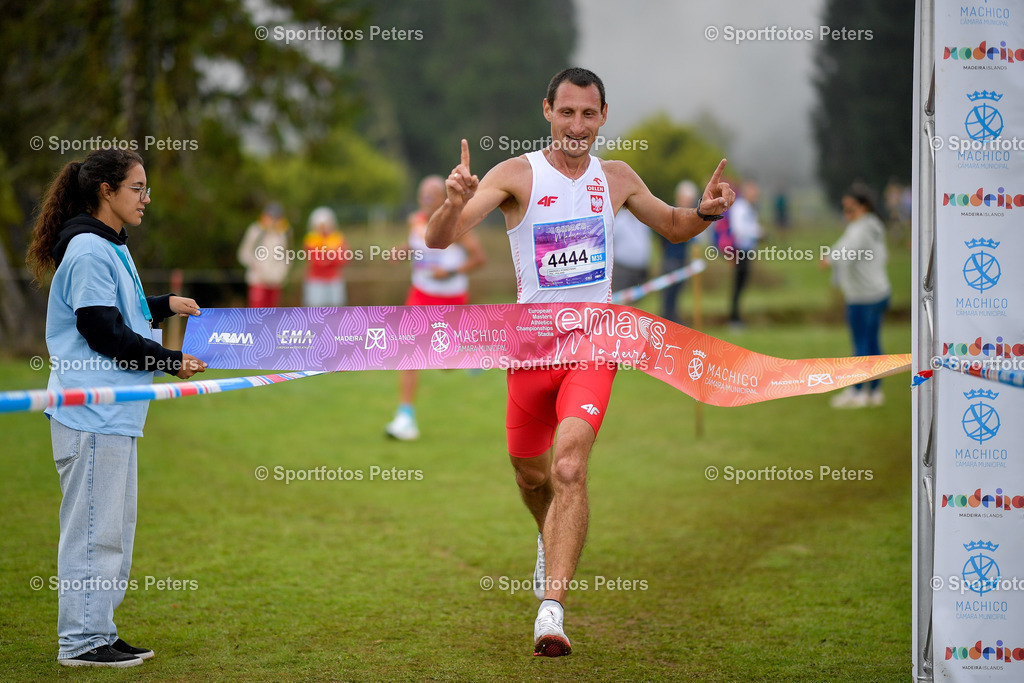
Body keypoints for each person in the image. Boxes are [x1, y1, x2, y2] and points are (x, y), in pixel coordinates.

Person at [426, 67, 734, 657]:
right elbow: (443, 239)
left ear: (603, 116)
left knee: (569, 468)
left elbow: (673, 226)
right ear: (547, 110)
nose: (576, 124)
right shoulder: (516, 173)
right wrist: (451, 203)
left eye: (587, 114)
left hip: (594, 343)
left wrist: (707, 214)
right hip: (530, 350)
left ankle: (552, 611)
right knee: (530, 472)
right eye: (566, 112)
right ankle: (548, 535)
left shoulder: (615, 177)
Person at [25, 148, 207, 668]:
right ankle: (81, 642)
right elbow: (101, 330)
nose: (146, 198)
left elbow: (119, 313)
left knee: (112, 532)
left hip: (116, 413)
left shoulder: (108, 245)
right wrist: (170, 360)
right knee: (92, 531)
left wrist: (163, 306)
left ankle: (98, 629)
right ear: (107, 191)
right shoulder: (86, 248)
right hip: (91, 413)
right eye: (138, 188)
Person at [385, 175, 486, 441]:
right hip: (419, 295)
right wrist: (402, 251)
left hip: (451, 300)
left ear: (442, 196)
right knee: (409, 350)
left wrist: (450, 271)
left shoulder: (458, 223)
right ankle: (405, 416)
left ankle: (473, 350)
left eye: (432, 193)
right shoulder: (415, 220)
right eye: (422, 193)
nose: (426, 198)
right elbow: (417, 245)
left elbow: (479, 258)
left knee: (445, 364)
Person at [822, 183, 891, 408]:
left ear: (864, 206)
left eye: (850, 209)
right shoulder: (874, 225)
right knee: (872, 344)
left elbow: (845, 252)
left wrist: (828, 259)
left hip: (863, 297)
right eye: (844, 209)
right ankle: (875, 392)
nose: (846, 214)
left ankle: (859, 391)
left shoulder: (861, 229)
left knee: (860, 345)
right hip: (879, 291)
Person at [237, 202, 291, 307]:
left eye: (276, 217)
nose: (272, 220)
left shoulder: (284, 233)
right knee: (256, 314)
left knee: (273, 315)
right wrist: (255, 265)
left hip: (276, 281)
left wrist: (281, 272)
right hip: (258, 281)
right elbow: (243, 254)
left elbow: (288, 255)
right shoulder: (255, 230)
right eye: (270, 216)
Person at [659, 180, 697, 323]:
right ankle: (666, 320)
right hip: (670, 259)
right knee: (668, 294)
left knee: (677, 293)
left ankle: (673, 319)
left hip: (682, 259)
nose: (688, 202)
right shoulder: (670, 212)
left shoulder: (691, 215)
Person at [727, 180, 762, 327]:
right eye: (753, 191)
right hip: (739, 251)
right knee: (737, 286)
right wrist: (758, 234)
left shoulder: (749, 207)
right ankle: (734, 319)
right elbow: (739, 230)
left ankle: (736, 318)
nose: (756, 194)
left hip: (747, 251)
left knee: (741, 286)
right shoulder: (740, 207)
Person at [302, 206, 349, 307]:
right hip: (316, 281)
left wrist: (327, 259)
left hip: (334, 280)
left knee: (336, 313)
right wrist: (330, 257)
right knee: (315, 313)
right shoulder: (311, 239)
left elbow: (342, 259)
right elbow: (315, 261)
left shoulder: (338, 238)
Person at [609, 207, 651, 293]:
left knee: (635, 301)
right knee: (621, 298)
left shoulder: (643, 219)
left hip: (640, 268)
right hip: (622, 267)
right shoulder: (619, 219)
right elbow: (611, 241)